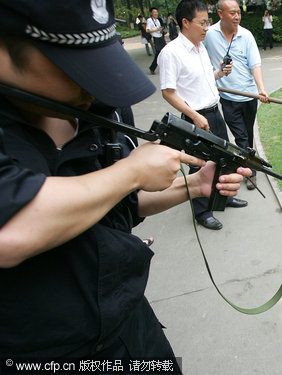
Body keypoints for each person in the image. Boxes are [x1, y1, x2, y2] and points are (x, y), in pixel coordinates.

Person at [0, 0, 249, 367]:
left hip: (129, 325)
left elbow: (116, 205)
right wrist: (130, 172)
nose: (93, 85)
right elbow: (11, 233)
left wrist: (194, 186)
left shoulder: (95, 109)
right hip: (40, 352)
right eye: (74, 65)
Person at [158, 0, 248, 230]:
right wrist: (194, 115)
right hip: (195, 118)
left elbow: (204, 80)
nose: (207, 27)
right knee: (199, 164)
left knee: (223, 158)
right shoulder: (172, 53)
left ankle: (223, 198)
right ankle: (201, 211)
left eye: (208, 22)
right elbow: (168, 92)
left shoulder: (201, 47)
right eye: (202, 23)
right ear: (185, 23)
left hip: (214, 113)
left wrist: (219, 73)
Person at [204, 0, 269, 190]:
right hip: (228, 97)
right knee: (241, 137)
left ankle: (248, 163)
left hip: (248, 96)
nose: (237, 17)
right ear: (220, 14)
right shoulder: (209, 35)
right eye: (232, 13)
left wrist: (261, 88)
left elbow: (255, 64)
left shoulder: (246, 36)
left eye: (239, 13)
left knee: (247, 135)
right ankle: (251, 173)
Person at [147, 7, 166, 74]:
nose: (156, 13)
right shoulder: (149, 20)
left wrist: (160, 30)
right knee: (158, 53)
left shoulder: (158, 20)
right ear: (151, 13)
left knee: (165, 52)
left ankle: (165, 67)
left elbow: (159, 29)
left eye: (156, 12)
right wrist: (156, 30)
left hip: (160, 37)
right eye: (154, 12)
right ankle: (152, 67)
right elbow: (148, 30)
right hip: (155, 38)